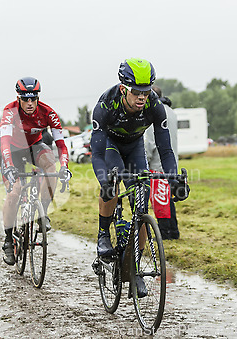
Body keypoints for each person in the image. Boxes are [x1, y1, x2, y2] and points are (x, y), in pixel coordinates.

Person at [90, 58, 185, 297]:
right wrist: (105, 180)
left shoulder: (155, 105)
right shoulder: (105, 105)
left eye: (147, 90)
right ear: (123, 89)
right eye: (136, 92)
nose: (142, 97)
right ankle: (103, 235)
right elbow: (98, 153)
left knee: (142, 208)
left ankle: (133, 270)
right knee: (110, 184)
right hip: (110, 146)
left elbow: (165, 150)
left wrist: (173, 178)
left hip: (135, 148)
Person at [0, 76, 71, 266]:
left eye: (33, 98)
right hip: (13, 151)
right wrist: (8, 166)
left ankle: (43, 214)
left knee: (51, 166)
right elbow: (4, 142)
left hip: (34, 146)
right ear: (19, 97)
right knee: (14, 192)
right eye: (25, 99)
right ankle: (8, 239)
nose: (30, 103)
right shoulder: (9, 111)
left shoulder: (48, 112)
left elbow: (61, 146)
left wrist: (64, 167)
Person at [144, 85, 180, 240]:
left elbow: (150, 142)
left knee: (160, 200)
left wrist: (144, 161)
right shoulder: (171, 112)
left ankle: (165, 233)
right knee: (168, 197)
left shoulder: (154, 112)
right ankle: (173, 230)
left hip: (157, 164)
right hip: (170, 162)